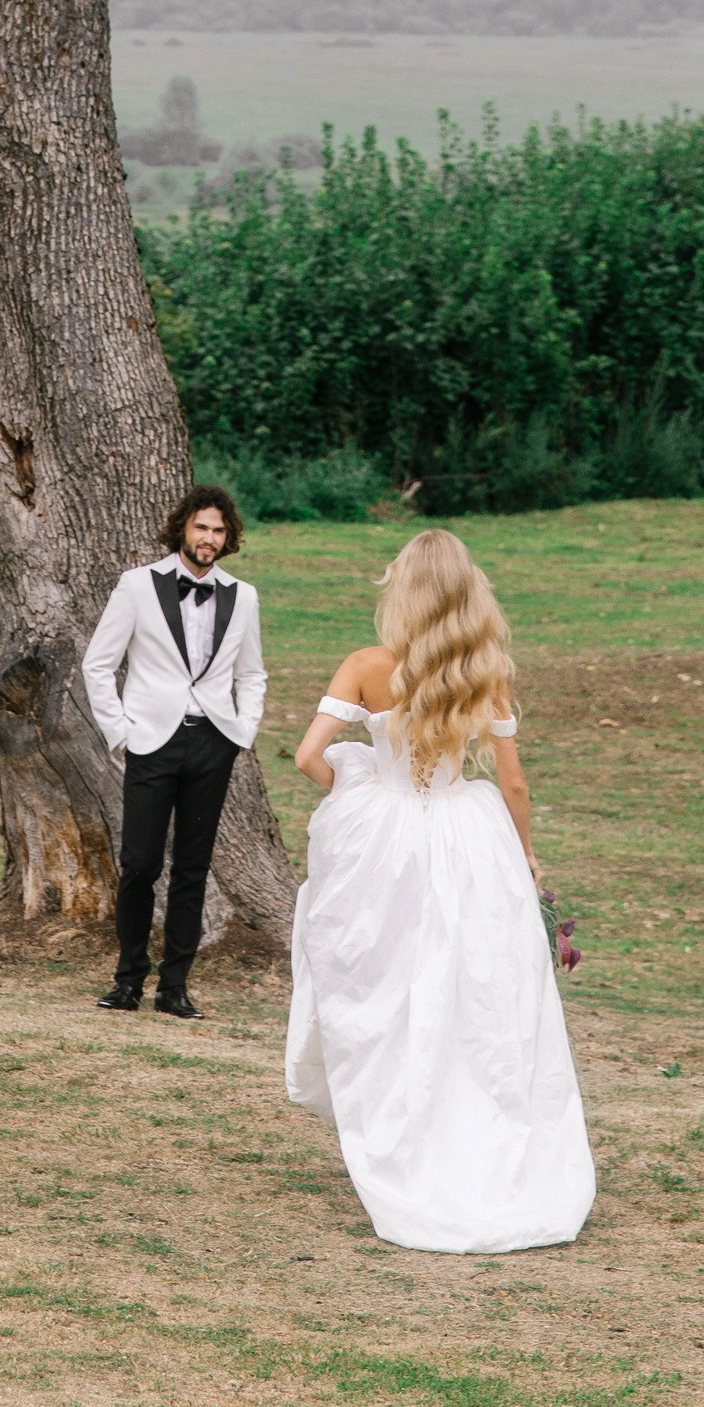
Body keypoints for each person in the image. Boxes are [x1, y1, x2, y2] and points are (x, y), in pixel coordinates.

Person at [286, 527, 595, 1253]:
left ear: (403, 591)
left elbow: (307, 757)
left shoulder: (366, 666)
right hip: (468, 837)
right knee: (474, 988)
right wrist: (525, 854)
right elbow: (512, 781)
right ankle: (479, 1125)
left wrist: (365, 789)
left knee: (393, 980)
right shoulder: (484, 674)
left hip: (388, 846)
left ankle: (402, 1118)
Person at [80, 486, 267, 1019]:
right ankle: (128, 979)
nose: (209, 538)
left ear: (227, 539)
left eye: (218, 530)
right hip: (151, 742)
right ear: (182, 528)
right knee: (139, 863)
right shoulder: (138, 586)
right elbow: (98, 664)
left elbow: (252, 673)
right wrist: (120, 731)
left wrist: (241, 732)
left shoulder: (243, 596)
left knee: (193, 866)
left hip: (213, 742)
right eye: (201, 527)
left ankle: (175, 986)